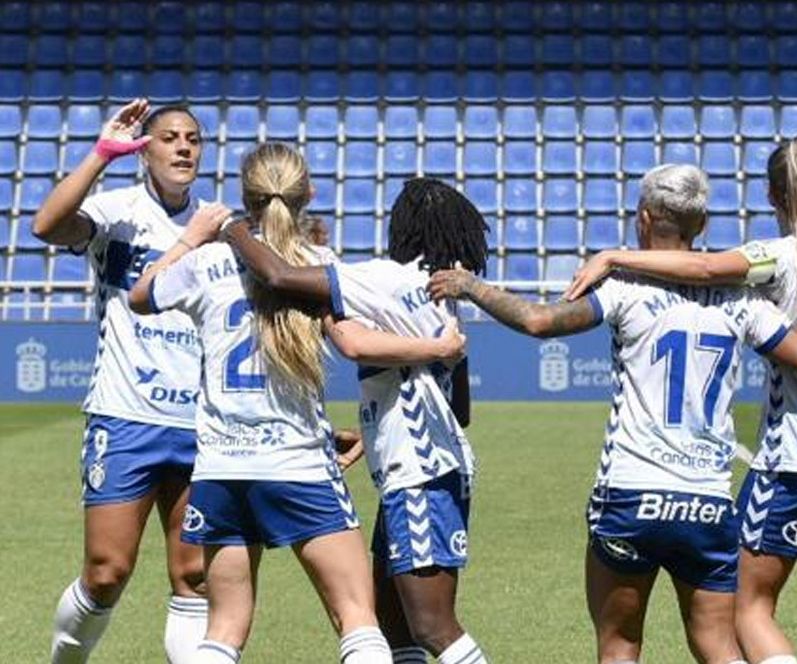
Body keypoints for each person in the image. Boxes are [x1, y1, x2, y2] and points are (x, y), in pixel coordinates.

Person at [426, 163, 797, 664]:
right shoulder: (743, 297)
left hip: (632, 494)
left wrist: (471, 287)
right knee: (718, 644)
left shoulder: (624, 287)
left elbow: (539, 321)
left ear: (644, 217)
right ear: (702, 225)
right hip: (706, 502)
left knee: (620, 647)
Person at [564, 137, 797, 664]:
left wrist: (614, 255)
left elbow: (705, 270)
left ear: (775, 195)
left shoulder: (778, 256)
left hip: (796, 457)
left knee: (750, 610)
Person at [128, 144, 466, 663]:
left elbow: (140, 296)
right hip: (298, 461)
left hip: (222, 465)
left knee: (223, 628)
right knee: (357, 616)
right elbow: (354, 341)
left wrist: (191, 238)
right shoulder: (319, 266)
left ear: (246, 194)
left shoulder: (208, 261)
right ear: (307, 193)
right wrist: (439, 350)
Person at [223, 177, 491, 664]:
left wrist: (232, 229)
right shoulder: (441, 296)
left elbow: (279, 277)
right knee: (396, 625)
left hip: (418, 473)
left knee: (433, 625)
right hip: (427, 466)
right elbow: (461, 412)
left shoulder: (386, 278)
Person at [33, 98, 223, 663]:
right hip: (125, 415)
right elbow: (47, 225)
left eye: (193, 138)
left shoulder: (217, 223)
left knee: (194, 574)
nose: (184, 146)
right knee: (107, 571)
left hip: (201, 422)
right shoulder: (117, 211)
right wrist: (100, 154)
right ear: (144, 151)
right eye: (169, 137)